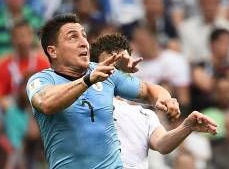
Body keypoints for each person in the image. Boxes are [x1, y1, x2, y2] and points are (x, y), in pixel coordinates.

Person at [26, 13, 181, 168]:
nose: (84, 43)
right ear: (53, 51)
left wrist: (164, 98)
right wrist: (87, 80)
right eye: (73, 37)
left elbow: (148, 90)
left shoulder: (103, 72)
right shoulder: (41, 80)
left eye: (84, 35)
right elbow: (46, 103)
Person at [91, 31, 217, 168]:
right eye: (110, 61)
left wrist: (187, 127)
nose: (115, 67)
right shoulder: (86, 102)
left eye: (121, 60)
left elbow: (162, 144)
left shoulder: (144, 115)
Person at [0, 20, 49, 110]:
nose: (22, 40)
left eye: (25, 35)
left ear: (32, 37)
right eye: (18, 36)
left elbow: (50, 91)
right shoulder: (2, 64)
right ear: (12, 39)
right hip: (11, 109)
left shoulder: (43, 62)